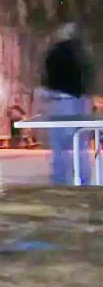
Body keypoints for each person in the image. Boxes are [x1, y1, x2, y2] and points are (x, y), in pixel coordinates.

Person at [42, 23, 95, 184]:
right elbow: (89, 79)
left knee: (59, 146)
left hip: (62, 101)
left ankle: (60, 182)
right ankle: (84, 181)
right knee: (80, 145)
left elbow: (49, 77)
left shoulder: (59, 52)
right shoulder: (84, 54)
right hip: (81, 101)